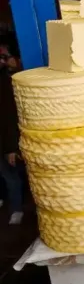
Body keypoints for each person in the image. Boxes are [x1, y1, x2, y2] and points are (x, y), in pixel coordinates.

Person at [0, 36, 24, 225]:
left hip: (7, 140)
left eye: (6, 56)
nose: (4, 61)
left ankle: (17, 209)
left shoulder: (10, 84)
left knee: (11, 176)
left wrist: (10, 148)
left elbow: (8, 118)